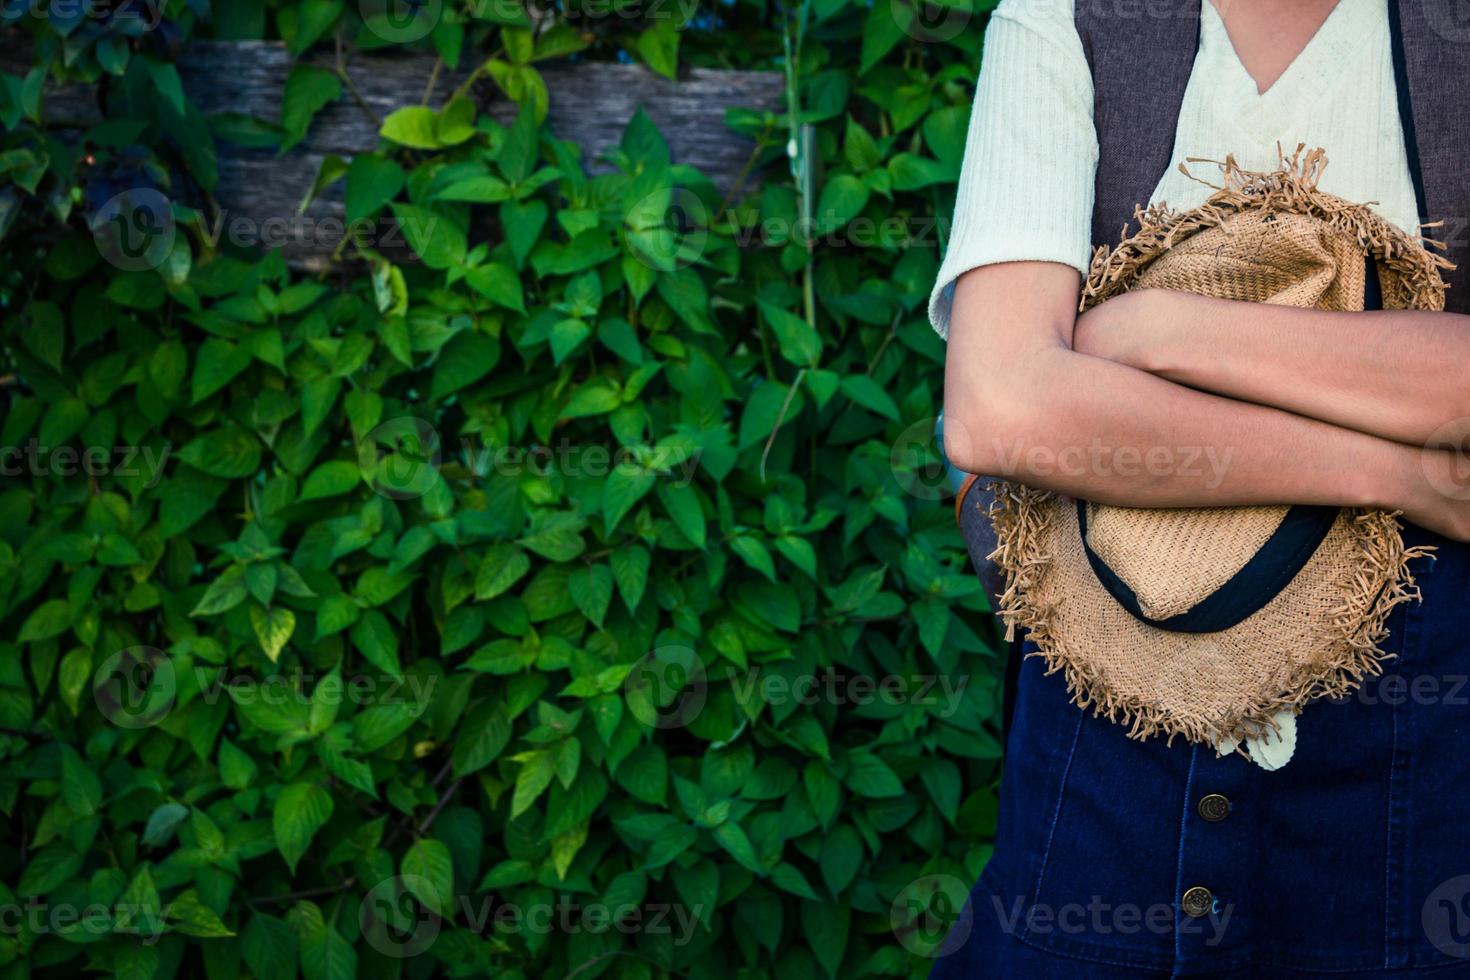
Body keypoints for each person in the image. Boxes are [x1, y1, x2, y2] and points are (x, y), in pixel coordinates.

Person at [929, 0, 1470, 975]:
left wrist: (1160, 333)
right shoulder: (1067, 16)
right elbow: (999, 406)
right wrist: (1402, 469)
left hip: (1407, 760)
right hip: (1105, 758)